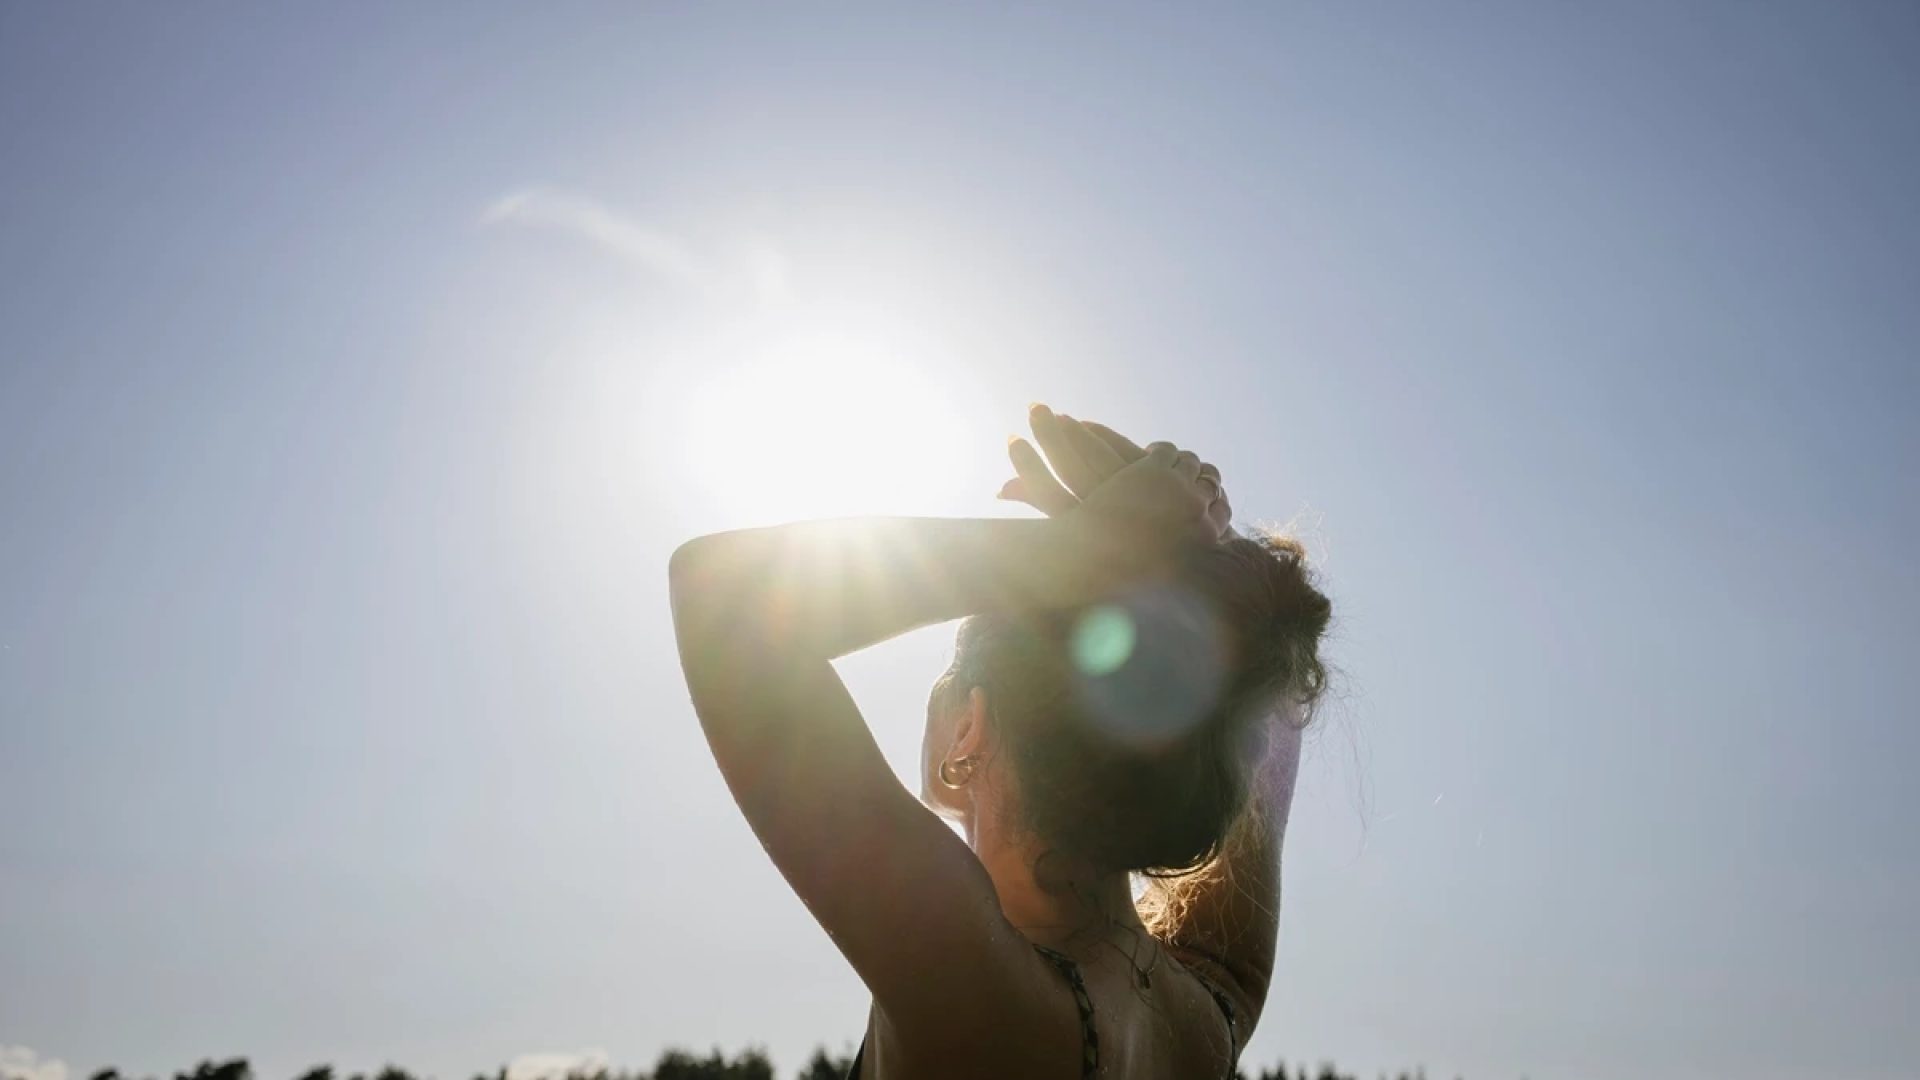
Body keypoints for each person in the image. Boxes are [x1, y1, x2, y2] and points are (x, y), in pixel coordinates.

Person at [669, 405, 1332, 1079]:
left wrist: (1084, 547)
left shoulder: (972, 988)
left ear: (970, 728)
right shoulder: (1208, 1021)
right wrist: (1191, 569)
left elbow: (724, 598)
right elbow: (1267, 695)